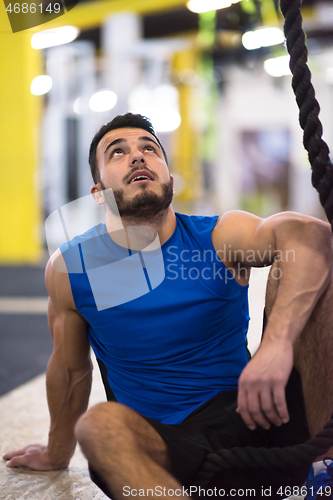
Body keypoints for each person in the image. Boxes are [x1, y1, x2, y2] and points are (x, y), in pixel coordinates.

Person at [3, 113, 333, 500]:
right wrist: (57, 452)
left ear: (170, 180)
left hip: (258, 420)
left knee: (315, 276)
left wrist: (276, 344)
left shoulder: (218, 237)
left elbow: (311, 234)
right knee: (98, 426)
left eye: (149, 149)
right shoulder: (71, 268)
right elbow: (71, 367)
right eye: (118, 153)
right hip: (163, 450)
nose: (137, 157)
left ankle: (323, 470)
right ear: (98, 192)